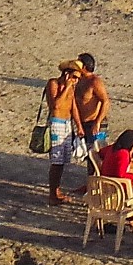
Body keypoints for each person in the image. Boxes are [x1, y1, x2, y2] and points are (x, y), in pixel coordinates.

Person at [42, 58, 84, 204]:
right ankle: (52, 193)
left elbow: (73, 107)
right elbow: (56, 106)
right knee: (57, 160)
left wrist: (78, 126)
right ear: (67, 74)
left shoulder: (72, 88)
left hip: (67, 124)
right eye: (74, 77)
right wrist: (66, 87)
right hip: (56, 123)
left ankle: (56, 190)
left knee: (63, 160)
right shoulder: (53, 83)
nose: (76, 81)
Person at [74, 53, 110, 150]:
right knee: (86, 152)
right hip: (83, 123)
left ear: (84, 66)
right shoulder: (78, 80)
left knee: (97, 153)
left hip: (95, 122)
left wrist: (97, 122)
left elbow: (105, 101)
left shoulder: (95, 81)